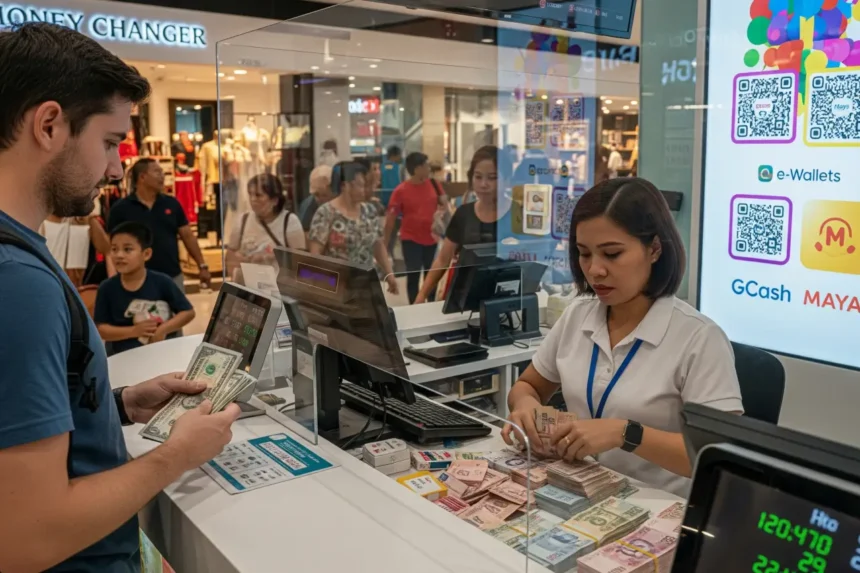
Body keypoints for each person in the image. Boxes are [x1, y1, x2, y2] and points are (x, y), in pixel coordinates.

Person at [0, 23, 240, 573]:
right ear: (49, 124)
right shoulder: (19, 282)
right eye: (109, 143)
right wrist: (178, 453)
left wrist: (120, 403)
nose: (115, 169)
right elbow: (24, 538)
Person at [501, 177, 743, 497]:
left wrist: (626, 434)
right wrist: (527, 407)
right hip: (577, 490)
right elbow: (528, 385)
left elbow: (716, 455)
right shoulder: (578, 315)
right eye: (584, 254)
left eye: (612, 254)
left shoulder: (700, 339)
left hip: (657, 506)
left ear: (654, 249)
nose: (595, 270)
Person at [414, 145, 513, 303]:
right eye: (478, 177)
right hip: (463, 300)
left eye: (492, 178)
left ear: (507, 179)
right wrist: (421, 295)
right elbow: (442, 259)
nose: (483, 184)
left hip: (506, 300)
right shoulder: (463, 214)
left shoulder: (518, 215)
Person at [108, 157, 211, 292]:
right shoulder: (121, 209)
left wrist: (202, 265)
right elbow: (109, 246)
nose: (162, 176)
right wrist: (113, 277)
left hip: (171, 276)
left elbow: (187, 236)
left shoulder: (171, 204)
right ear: (142, 177)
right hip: (134, 279)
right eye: (157, 172)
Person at [96, 222, 196, 356]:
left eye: (127, 249)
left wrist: (163, 329)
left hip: (161, 355)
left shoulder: (162, 282)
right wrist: (134, 331)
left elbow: (187, 312)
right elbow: (101, 329)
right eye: (114, 249)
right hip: (121, 357)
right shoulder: (106, 288)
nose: (119, 255)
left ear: (146, 254)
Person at [309, 161, 398, 294]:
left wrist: (389, 274)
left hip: (366, 286)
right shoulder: (326, 213)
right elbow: (316, 256)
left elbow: (378, 245)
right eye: (360, 185)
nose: (365, 190)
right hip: (337, 288)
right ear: (346, 186)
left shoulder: (369, 211)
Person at [384, 152, 445, 304]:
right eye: (425, 165)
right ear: (417, 169)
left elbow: (444, 206)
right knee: (413, 274)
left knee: (432, 275)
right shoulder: (401, 190)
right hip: (410, 239)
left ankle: (431, 305)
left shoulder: (434, 184)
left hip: (432, 238)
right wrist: (384, 243)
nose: (428, 168)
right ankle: (414, 306)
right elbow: (391, 218)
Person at [225, 173, 306, 280]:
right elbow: (230, 256)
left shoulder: (289, 222)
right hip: (248, 289)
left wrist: (269, 257)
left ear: (274, 200)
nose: (253, 200)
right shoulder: (242, 221)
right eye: (250, 194)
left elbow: (300, 262)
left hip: (279, 290)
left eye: (258, 195)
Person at [298, 164, 333, 232]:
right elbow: (304, 234)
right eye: (316, 195)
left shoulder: (345, 202)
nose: (319, 199)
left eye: (324, 195)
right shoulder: (308, 206)